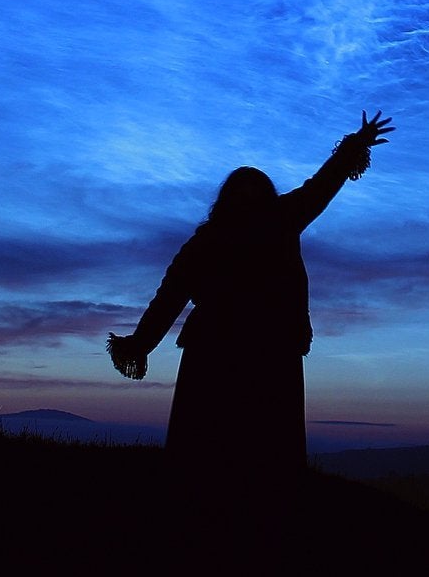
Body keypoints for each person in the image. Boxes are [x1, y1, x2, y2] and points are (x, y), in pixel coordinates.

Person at [107, 111, 394, 502]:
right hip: (242, 349)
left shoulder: (237, 232)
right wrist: (138, 343)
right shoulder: (258, 226)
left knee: (237, 447)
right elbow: (170, 295)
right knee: (239, 445)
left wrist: (138, 344)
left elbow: (169, 296)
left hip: (250, 348)